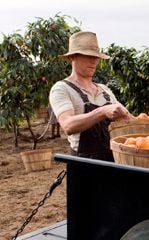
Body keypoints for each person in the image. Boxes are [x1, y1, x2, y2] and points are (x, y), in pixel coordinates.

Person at [49, 31, 134, 161]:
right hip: (84, 164)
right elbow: (68, 125)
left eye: (96, 57)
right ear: (73, 57)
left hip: (111, 161)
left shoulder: (104, 90)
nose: (94, 61)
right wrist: (102, 111)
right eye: (88, 56)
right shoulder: (62, 88)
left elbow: (129, 119)